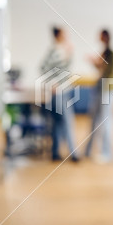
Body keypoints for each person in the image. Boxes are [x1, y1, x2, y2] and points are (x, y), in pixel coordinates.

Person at [40, 27, 79, 162]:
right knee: (68, 122)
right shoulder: (54, 50)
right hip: (59, 91)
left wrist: (70, 54)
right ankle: (74, 153)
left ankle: (55, 152)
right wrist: (52, 82)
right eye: (64, 34)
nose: (66, 36)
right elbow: (43, 67)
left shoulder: (61, 50)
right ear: (58, 35)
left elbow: (65, 67)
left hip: (66, 89)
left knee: (57, 123)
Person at [85, 29, 113, 163]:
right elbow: (101, 69)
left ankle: (107, 153)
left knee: (106, 121)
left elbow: (107, 71)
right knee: (94, 120)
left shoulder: (112, 54)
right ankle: (87, 151)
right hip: (100, 89)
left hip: (107, 90)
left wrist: (97, 63)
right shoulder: (104, 52)